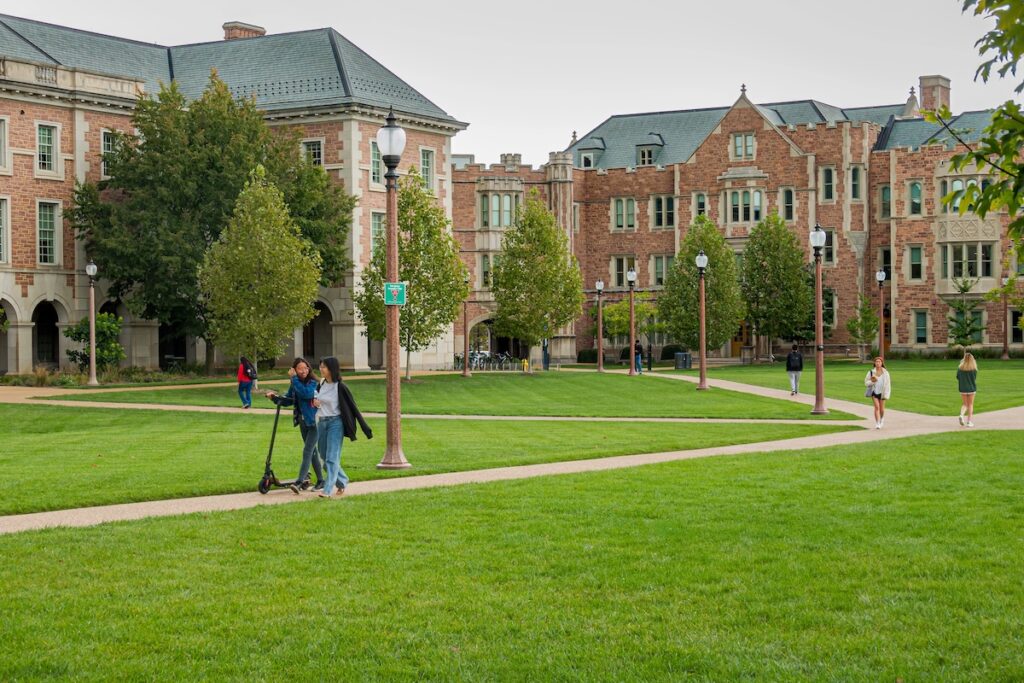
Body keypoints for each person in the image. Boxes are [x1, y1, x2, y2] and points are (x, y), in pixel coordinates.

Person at [313, 356, 372, 498]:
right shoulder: (321, 384)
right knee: (323, 456)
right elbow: (318, 401)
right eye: (320, 366)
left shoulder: (340, 387)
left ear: (331, 369)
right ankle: (343, 481)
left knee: (332, 457)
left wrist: (365, 428)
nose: (321, 369)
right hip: (322, 423)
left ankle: (327, 490)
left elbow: (353, 407)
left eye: (324, 367)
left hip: (336, 423)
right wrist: (316, 403)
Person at [266, 358, 325, 493]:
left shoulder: (313, 383)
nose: (303, 371)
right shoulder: (295, 383)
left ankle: (299, 482)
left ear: (309, 369)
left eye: (305, 368)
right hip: (303, 422)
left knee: (307, 451)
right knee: (312, 452)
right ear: (294, 370)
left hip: (315, 422)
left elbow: (306, 394)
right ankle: (321, 480)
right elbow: (289, 399)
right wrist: (274, 397)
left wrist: (294, 379)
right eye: (300, 368)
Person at [864, 356, 892, 429]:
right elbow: (866, 383)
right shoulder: (871, 372)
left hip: (883, 392)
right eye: (876, 362)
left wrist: (887, 394)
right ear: (874, 363)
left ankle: (882, 419)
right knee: (877, 407)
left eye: (879, 362)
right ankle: (877, 423)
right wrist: (872, 381)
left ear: (882, 363)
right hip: (874, 392)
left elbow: (888, 384)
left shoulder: (886, 373)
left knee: (882, 409)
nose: (878, 363)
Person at [956, 352, 978, 427]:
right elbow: (974, 378)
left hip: (962, 388)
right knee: (970, 404)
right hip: (971, 388)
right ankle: (969, 422)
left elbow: (957, 377)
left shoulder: (960, 368)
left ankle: (961, 415)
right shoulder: (974, 369)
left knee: (965, 404)